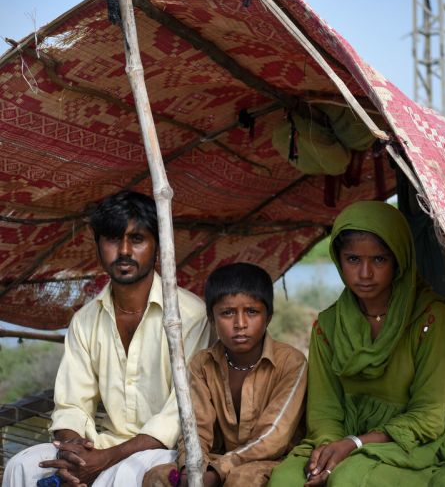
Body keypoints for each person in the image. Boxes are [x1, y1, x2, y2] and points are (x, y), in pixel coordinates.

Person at [2, 191, 212, 487]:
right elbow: (72, 404)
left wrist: (108, 458)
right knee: (21, 466)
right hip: (102, 445)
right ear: (98, 246)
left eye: (137, 239)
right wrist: (74, 451)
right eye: (113, 239)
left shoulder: (191, 317)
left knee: (126, 476)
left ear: (158, 244)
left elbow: (180, 414)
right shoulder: (85, 321)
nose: (124, 250)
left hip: (165, 452)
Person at [268, 201, 445, 487]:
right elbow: (325, 411)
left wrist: (355, 444)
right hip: (342, 440)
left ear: (398, 260)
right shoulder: (329, 325)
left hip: (412, 443)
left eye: (379, 259)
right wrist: (328, 453)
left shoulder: (431, 319)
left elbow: (429, 417)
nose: (365, 273)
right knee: (286, 480)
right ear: (339, 260)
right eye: (353, 259)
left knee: (349, 479)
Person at [142, 262, 307, 487]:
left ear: (268, 316)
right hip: (218, 460)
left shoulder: (291, 362)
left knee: (242, 479)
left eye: (252, 312)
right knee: (158, 477)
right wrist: (190, 468)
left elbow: (273, 437)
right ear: (211, 318)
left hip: (275, 460)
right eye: (227, 313)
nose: (240, 324)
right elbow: (195, 429)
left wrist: (217, 470)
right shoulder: (202, 364)